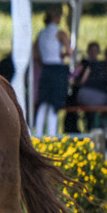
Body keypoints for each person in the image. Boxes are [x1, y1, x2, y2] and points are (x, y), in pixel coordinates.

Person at [33, 8, 71, 137]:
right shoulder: (60, 33)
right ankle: (51, 135)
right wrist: (63, 54)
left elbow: (35, 52)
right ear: (57, 17)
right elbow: (70, 51)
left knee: (43, 103)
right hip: (57, 69)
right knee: (54, 104)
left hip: (46, 68)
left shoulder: (41, 34)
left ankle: (38, 134)